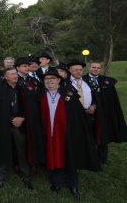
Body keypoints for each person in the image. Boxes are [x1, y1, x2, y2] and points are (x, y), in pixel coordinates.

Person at [39, 68, 101, 199]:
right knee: (54, 156)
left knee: (69, 157)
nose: (49, 81)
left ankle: (73, 184)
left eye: (52, 79)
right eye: (47, 79)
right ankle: (57, 181)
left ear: (59, 81)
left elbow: (78, 118)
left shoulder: (69, 96)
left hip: (67, 135)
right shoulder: (41, 96)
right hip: (49, 134)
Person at [0, 67, 33, 189]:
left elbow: (28, 107)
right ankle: (1, 177)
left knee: (21, 150)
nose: (15, 76)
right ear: (5, 77)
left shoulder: (22, 89)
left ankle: (26, 177)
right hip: (3, 125)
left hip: (20, 125)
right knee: (3, 149)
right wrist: (10, 119)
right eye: (12, 74)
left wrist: (22, 118)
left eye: (15, 74)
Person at [82, 62, 127, 164]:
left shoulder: (107, 82)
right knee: (89, 135)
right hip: (87, 113)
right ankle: (90, 157)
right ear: (89, 68)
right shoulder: (82, 80)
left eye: (98, 68)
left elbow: (111, 100)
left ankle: (102, 158)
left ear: (100, 69)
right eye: (94, 67)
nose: (96, 69)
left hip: (104, 114)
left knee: (103, 135)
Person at [15, 57, 45, 170]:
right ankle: (17, 163)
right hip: (18, 116)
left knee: (32, 139)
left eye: (28, 66)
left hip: (33, 116)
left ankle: (32, 162)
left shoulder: (34, 81)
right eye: (24, 66)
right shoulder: (12, 80)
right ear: (17, 67)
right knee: (19, 142)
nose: (27, 68)